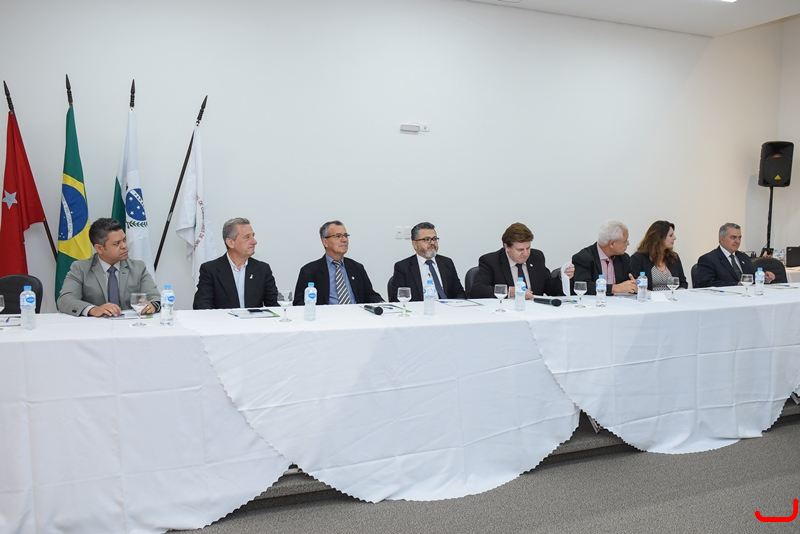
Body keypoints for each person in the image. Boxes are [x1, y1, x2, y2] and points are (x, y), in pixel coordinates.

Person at [57, 217, 161, 317]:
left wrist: (152, 305)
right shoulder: (80, 268)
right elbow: (64, 300)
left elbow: (155, 298)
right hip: (95, 325)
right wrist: (93, 309)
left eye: (124, 240)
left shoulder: (138, 267)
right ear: (99, 248)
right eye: (117, 243)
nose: (124, 246)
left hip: (129, 325)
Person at [469, 222, 573, 299]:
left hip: (536, 312)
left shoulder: (537, 257)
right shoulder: (491, 261)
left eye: (528, 248)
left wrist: (562, 277)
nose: (526, 254)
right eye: (520, 250)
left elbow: (550, 288)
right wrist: (511, 291)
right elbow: (477, 290)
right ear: (507, 247)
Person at [193, 217, 278, 309]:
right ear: (230, 242)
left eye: (253, 236)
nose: (254, 241)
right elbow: (202, 305)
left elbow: (274, 306)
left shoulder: (263, 269)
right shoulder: (210, 270)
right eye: (247, 237)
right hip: (223, 318)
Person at [293, 220, 383, 305]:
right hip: (326, 315)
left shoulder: (357, 268)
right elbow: (299, 302)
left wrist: (383, 304)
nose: (344, 240)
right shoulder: (309, 271)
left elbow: (369, 295)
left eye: (345, 236)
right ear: (325, 242)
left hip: (356, 314)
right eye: (338, 236)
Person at [389, 222, 466, 302]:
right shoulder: (403, 267)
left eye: (434, 239)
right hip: (420, 309)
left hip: (447, 308)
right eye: (427, 239)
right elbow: (396, 300)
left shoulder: (447, 263)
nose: (432, 243)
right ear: (415, 244)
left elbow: (459, 293)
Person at [694, 223, 775, 288]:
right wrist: (736, 284)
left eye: (739, 238)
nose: (737, 241)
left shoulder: (744, 257)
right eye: (733, 237)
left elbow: (751, 278)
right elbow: (706, 284)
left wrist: (764, 278)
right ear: (722, 239)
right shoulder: (708, 259)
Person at [572, 220, 638, 295]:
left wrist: (635, 286)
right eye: (625, 241)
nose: (628, 244)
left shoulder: (624, 258)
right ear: (612, 243)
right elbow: (583, 286)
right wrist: (615, 288)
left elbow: (632, 280)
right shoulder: (583, 258)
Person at [629, 220, 688, 291]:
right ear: (659, 238)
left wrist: (676, 294)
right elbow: (636, 286)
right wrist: (655, 295)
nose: (674, 238)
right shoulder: (638, 258)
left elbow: (683, 283)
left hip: (672, 296)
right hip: (649, 297)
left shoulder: (673, 257)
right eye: (671, 235)